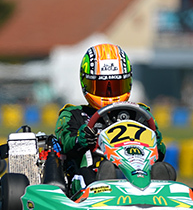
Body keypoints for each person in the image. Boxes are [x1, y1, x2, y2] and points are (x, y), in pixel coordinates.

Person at [54, 43, 173, 195]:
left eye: (116, 86)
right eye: (102, 87)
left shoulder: (140, 114)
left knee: (162, 169)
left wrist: (157, 141)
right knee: (105, 168)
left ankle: (155, 192)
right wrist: (80, 140)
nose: (109, 93)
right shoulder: (73, 114)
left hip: (136, 169)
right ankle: (103, 189)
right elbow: (64, 142)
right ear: (86, 83)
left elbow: (160, 153)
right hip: (89, 176)